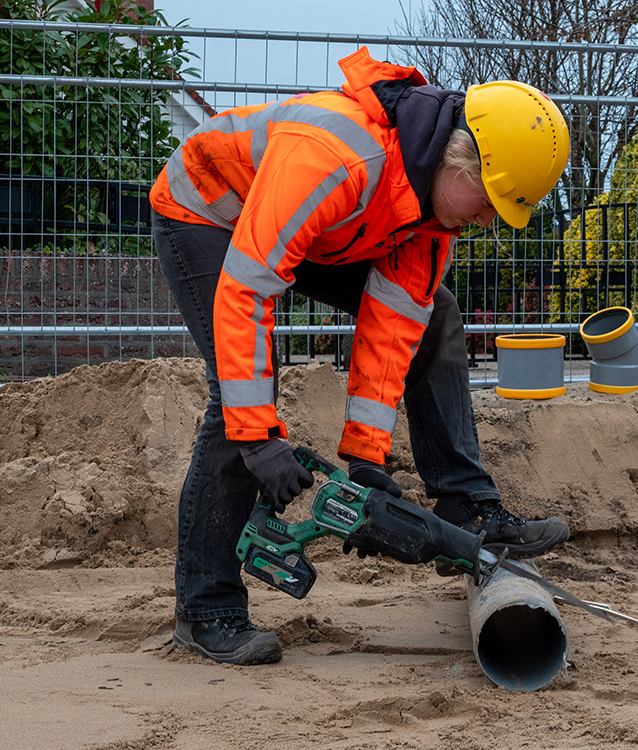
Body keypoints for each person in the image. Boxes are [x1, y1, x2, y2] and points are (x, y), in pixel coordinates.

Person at [149, 47, 572, 666]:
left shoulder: (430, 214)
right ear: (459, 157)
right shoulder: (336, 156)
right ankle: (206, 606)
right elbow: (248, 289)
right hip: (209, 210)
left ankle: (464, 501)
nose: (485, 221)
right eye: (486, 203)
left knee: (435, 316)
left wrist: (365, 463)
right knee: (238, 392)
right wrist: (260, 439)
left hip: (327, 226)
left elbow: (392, 331)